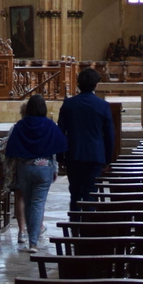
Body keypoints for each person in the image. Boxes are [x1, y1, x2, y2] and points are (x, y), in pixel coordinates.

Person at [3, 94, 66, 252]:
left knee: (29, 203)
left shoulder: (20, 125)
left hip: (25, 168)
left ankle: (30, 237)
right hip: (44, 169)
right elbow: (60, 145)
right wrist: (56, 167)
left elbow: (10, 149)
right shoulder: (49, 124)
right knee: (38, 203)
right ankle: (33, 242)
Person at [56, 67, 116, 212]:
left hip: (73, 154)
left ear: (78, 84)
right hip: (95, 155)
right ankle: (89, 224)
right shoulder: (103, 105)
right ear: (96, 85)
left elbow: (60, 132)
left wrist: (60, 157)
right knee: (91, 194)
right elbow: (109, 134)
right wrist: (108, 159)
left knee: (75, 194)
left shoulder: (69, 104)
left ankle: (75, 223)